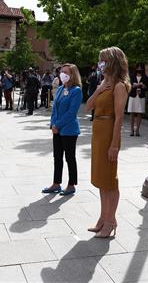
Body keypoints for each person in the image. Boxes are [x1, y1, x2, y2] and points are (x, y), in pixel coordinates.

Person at [85, 47, 130, 238]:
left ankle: (111, 221)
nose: (100, 63)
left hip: (109, 134)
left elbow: (119, 118)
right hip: (98, 133)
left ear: (112, 62)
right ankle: (104, 218)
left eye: (103, 60)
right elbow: (88, 107)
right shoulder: (104, 83)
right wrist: (99, 90)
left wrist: (114, 144)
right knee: (102, 180)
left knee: (110, 180)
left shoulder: (120, 86)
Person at [42, 63, 82, 196]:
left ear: (72, 75)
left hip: (69, 130)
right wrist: (52, 124)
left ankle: (71, 185)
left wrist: (57, 125)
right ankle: (56, 183)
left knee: (70, 157)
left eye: (66, 72)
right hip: (57, 129)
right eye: (61, 71)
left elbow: (71, 113)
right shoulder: (59, 89)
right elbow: (54, 109)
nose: (62, 74)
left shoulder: (76, 91)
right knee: (57, 157)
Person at [127, 66, 148, 136]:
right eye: (138, 68)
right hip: (133, 96)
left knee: (140, 113)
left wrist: (142, 86)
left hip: (141, 96)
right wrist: (134, 86)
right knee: (132, 113)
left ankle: (137, 130)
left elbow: (146, 88)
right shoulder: (132, 76)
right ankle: (131, 130)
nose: (139, 69)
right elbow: (129, 86)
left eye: (140, 68)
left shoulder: (145, 77)